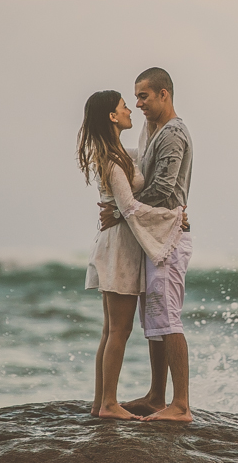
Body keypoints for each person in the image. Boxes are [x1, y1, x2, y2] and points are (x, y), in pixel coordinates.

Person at [77, 89, 186, 421]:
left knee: (111, 330)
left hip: (117, 245)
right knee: (118, 331)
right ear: (112, 116)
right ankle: (109, 404)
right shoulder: (111, 160)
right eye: (125, 106)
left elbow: (147, 158)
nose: (131, 110)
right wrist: (173, 216)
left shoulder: (119, 153)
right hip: (118, 251)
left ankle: (101, 403)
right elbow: (130, 208)